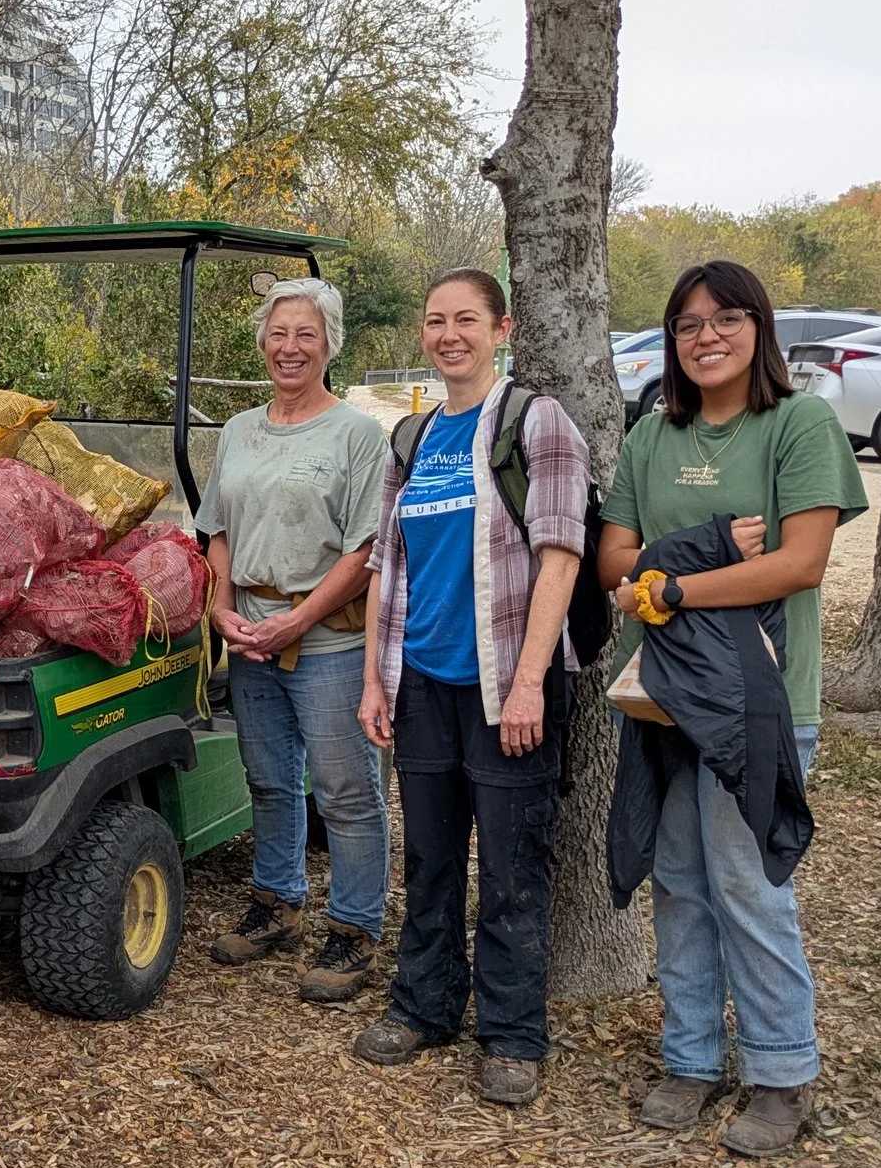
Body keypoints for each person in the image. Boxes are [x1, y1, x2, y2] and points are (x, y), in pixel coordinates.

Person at [597, 259, 867, 1157]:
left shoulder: (798, 425)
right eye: (687, 324)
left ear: (760, 328)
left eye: (725, 319)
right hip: (663, 702)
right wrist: (691, 557)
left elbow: (799, 565)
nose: (705, 337)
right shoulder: (653, 437)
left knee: (748, 886)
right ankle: (691, 1059)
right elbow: (614, 564)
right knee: (678, 881)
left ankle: (783, 1073)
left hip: (759, 704)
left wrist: (669, 584)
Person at [355, 271, 590, 1104]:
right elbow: (388, 565)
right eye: (435, 321)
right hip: (423, 684)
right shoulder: (411, 439)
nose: (450, 334)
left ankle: (513, 1034)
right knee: (429, 858)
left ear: (502, 328)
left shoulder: (536, 423)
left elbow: (561, 551)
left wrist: (530, 681)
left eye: (467, 320)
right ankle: (423, 1006)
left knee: (515, 867)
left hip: (505, 687)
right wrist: (375, 682)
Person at [196, 277, 391, 1001]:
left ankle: (353, 927)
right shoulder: (241, 429)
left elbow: (367, 548)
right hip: (251, 634)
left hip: (327, 640)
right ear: (261, 341)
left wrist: (300, 619)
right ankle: (277, 902)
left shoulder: (356, 434)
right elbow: (216, 527)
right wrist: (221, 605)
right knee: (271, 781)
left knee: (345, 790)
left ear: (329, 344)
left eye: (306, 334)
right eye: (279, 333)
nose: (290, 347)